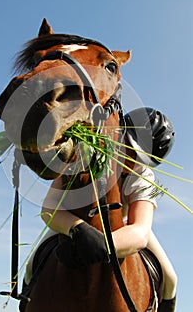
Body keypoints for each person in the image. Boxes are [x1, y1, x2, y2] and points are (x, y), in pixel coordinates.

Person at [30, 107, 177, 312]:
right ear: (120, 133)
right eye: (129, 147)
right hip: (72, 219)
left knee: (170, 278)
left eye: (140, 158)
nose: (130, 160)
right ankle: (26, 298)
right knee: (31, 266)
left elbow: (140, 233)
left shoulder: (143, 177)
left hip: (124, 228)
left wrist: (102, 245)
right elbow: (49, 208)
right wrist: (78, 229)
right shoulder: (84, 151)